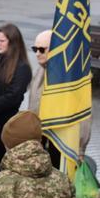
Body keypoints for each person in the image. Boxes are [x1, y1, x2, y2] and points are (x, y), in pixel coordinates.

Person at [28, 30, 91, 165]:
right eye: (35, 49)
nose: (37, 54)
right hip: (40, 140)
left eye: (41, 49)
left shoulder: (70, 77)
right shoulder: (39, 72)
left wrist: (80, 149)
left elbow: (83, 117)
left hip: (61, 144)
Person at [0, 23, 32, 178]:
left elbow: (13, 96)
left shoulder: (22, 67)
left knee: (1, 168)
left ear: (13, 42)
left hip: (5, 124)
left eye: (2, 41)